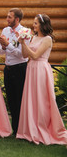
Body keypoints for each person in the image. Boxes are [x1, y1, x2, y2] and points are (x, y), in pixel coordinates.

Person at [17, 14, 67, 145]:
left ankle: (41, 128)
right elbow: (24, 55)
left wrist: (24, 43)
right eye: (34, 23)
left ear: (42, 25)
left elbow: (35, 55)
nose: (33, 25)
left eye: (35, 23)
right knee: (31, 98)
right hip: (31, 69)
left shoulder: (47, 39)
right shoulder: (33, 38)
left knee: (41, 99)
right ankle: (29, 129)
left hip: (40, 69)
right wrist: (23, 43)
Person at [0, 8, 28, 135]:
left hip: (20, 69)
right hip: (8, 69)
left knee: (20, 99)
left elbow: (22, 55)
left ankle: (22, 129)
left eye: (9, 17)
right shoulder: (5, 30)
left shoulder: (25, 32)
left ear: (17, 19)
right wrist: (3, 46)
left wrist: (7, 45)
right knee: (10, 99)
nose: (7, 19)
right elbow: (1, 51)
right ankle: (15, 129)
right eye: (7, 16)